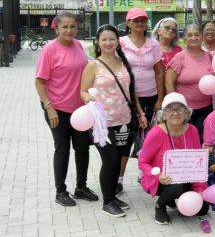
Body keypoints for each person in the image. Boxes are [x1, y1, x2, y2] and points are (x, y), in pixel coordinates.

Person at [80, 25, 148, 218]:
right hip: (102, 123)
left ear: (118, 41)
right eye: (104, 39)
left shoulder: (123, 62)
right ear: (98, 42)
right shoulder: (94, 65)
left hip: (125, 120)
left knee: (119, 160)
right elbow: (83, 90)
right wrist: (88, 98)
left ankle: (112, 196)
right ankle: (107, 202)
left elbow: (131, 92)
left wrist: (141, 113)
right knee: (109, 161)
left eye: (112, 39)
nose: (108, 43)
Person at [34, 12, 98, 207]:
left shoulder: (79, 45)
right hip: (57, 108)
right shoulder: (49, 50)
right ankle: (60, 191)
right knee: (62, 148)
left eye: (73, 26)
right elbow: (39, 82)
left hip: (79, 111)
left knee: (82, 148)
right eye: (65, 27)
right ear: (57, 29)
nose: (69, 30)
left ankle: (81, 187)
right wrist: (49, 107)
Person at [137, 92, 209, 225]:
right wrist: (158, 175)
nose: (175, 113)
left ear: (187, 113)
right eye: (170, 109)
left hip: (187, 178)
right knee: (176, 186)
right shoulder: (156, 133)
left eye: (180, 108)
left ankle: (175, 201)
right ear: (163, 114)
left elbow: (198, 162)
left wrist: (199, 190)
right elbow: (142, 162)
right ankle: (160, 206)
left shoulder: (192, 130)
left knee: (203, 209)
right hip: (161, 180)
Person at [119, 8, 164, 190]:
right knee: (126, 140)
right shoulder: (121, 43)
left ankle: (145, 174)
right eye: (135, 21)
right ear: (128, 23)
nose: (139, 24)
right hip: (126, 99)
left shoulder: (154, 44)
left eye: (143, 21)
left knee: (148, 139)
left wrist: (160, 98)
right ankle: (119, 179)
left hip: (150, 96)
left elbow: (160, 71)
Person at [165, 24, 214, 137]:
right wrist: (175, 106)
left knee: (202, 139)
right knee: (185, 139)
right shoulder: (179, 57)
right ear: (185, 38)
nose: (193, 38)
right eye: (190, 35)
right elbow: (169, 82)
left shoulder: (209, 56)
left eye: (197, 35)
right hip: (183, 110)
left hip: (206, 108)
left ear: (202, 37)